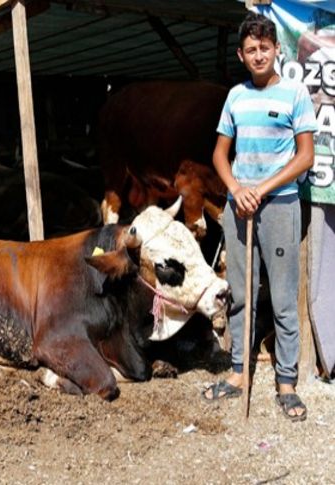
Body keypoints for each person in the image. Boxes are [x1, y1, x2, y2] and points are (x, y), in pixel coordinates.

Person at [204, 12, 315, 422]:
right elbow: (219, 153)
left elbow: (306, 155)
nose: (258, 55)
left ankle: (286, 383)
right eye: (250, 49)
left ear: (276, 50)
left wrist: (260, 189)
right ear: (241, 54)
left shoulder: (294, 95)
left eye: (264, 47)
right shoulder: (235, 97)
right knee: (241, 292)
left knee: (284, 298)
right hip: (238, 206)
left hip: (280, 205)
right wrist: (235, 189)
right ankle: (238, 374)